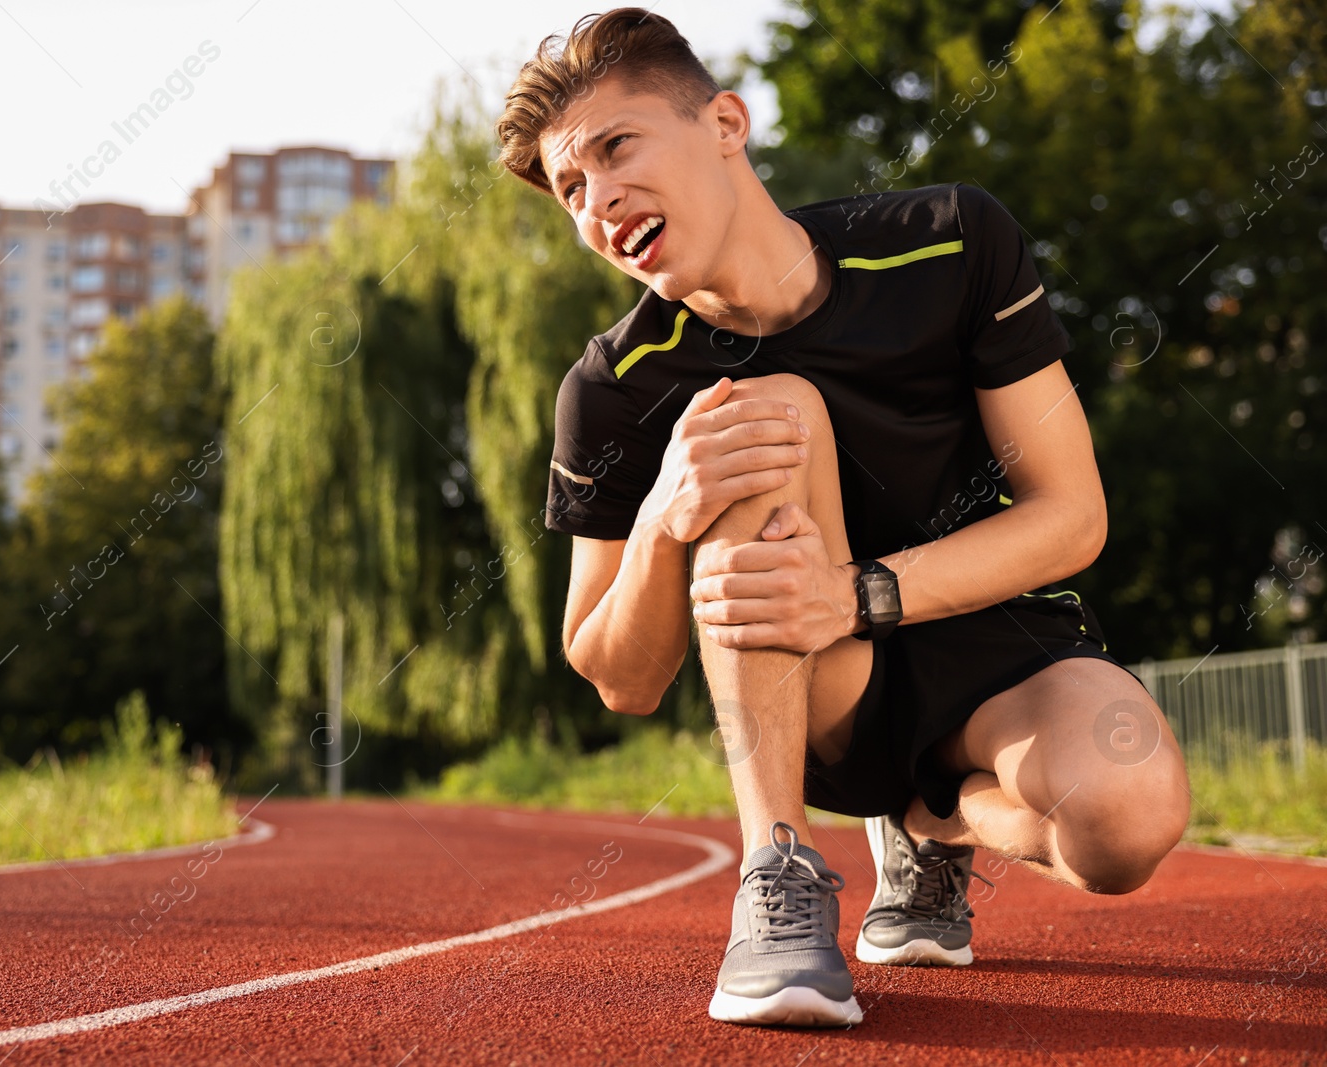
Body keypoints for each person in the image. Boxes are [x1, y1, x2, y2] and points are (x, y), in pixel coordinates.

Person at [493, 8, 1191, 1029]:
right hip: (817, 691)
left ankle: (931, 815)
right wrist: (661, 516)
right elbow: (618, 673)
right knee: (755, 415)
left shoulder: (951, 241)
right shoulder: (612, 386)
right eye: (570, 188)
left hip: (994, 637)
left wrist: (858, 595)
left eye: (614, 147)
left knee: (1126, 820)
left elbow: (1071, 514)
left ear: (725, 123)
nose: (597, 198)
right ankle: (777, 880)